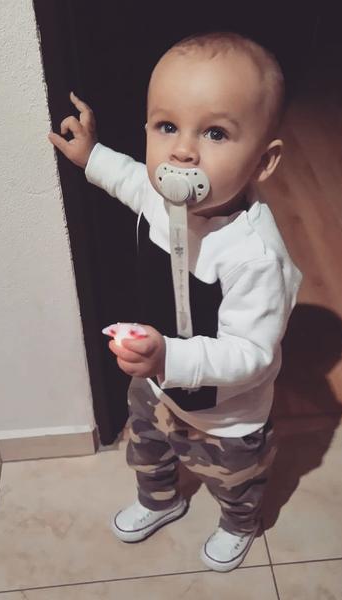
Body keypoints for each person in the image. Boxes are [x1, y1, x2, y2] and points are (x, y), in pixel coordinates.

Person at [48, 31, 302, 572]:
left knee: (236, 477)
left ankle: (240, 523)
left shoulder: (253, 256)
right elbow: (128, 178)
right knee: (147, 448)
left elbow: (251, 354)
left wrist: (170, 356)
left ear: (263, 160)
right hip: (156, 384)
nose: (182, 151)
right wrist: (91, 155)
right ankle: (160, 499)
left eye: (215, 132)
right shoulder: (159, 197)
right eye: (167, 126)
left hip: (228, 413)